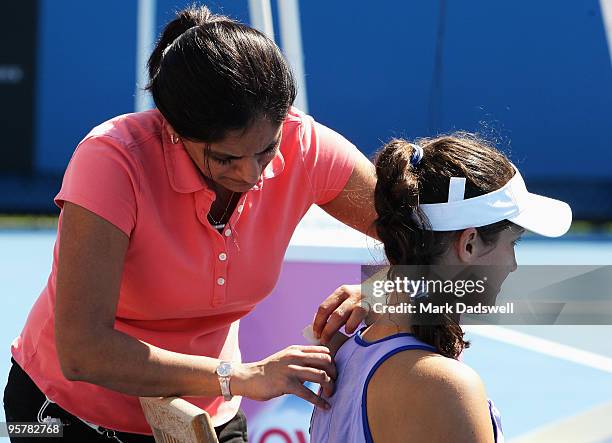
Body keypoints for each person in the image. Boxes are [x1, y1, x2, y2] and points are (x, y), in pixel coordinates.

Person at [3, 5, 378, 442]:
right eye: (224, 158)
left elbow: (461, 263)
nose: (251, 175)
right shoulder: (110, 160)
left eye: (267, 149)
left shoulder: (306, 144)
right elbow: (82, 352)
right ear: (174, 130)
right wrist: (240, 375)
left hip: (206, 413)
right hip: (54, 414)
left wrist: (380, 291)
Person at [309, 132, 572, 442]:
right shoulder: (445, 386)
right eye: (512, 243)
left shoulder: (349, 350)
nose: (513, 264)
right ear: (469, 244)